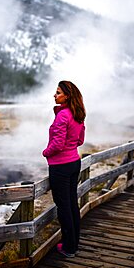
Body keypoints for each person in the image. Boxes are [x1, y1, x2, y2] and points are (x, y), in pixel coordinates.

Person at [42, 80, 86, 257]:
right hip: (74, 163)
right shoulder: (77, 114)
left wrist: (46, 152)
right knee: (72, 205)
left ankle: (68, 248)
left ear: (67, 96)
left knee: (64, 207)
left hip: (60, 167)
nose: (55, 94)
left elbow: (58, 144)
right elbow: (80, 141)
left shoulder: (63, 115)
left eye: (58, 92)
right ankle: (74, 243)